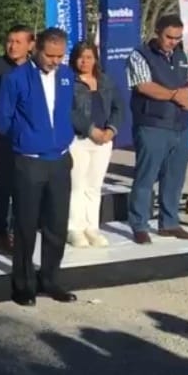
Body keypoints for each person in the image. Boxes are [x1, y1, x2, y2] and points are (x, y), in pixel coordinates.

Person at [0, 28, 78, 306]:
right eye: (50, 55)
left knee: (57, 224)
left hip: (59, 160)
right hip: (29, 161)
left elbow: (70, 110)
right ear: (36, 50)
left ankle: (51, 278)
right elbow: (4, 120)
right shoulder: (15, 79)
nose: (55, 61)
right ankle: (23, 284)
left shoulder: (67, 76)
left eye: (60, 55)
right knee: (25, 225)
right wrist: (25, 138)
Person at [126, 14, 188, 244]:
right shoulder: (139, 55)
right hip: (152, 124)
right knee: (146, 176)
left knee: (175, 176)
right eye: (169, 37)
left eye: (178, 38)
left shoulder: (184, 55)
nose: (173, 42)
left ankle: (169, 223)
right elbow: (143, 85)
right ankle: (139, 224)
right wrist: (175, 95)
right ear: (158, 32)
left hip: (180, 125)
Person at [0, 25, 35, 253]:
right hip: (2, 137)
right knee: (4, 185)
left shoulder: (35, 68)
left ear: (30, 45)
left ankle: (22, 229)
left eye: (18, 42)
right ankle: (0, 231)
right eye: (9, 41)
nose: (12, 46)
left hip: (30, 137)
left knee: (26, 187)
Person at [69, 42, 124, 248]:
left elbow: (119, 107)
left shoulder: (105, 80)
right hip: (80, 140)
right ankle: (75, 228)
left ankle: (92, 227)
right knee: (77, 185)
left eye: (89, 57)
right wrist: (90, 130)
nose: (85, 61)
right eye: (81, 57)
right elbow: (69, 111)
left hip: (104, 141)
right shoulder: (69, 81)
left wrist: (111, 130)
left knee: (94, 186)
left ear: (95, 59)